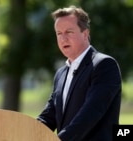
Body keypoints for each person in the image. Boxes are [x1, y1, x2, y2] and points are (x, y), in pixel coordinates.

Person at [37, 5, 122, 141]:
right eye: (59, 33)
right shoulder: (61, 73)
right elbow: (49, 116)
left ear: (85, 34)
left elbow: (90, 114)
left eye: (69, 32)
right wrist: (26, 132)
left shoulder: (104, 65)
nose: (63, 38)